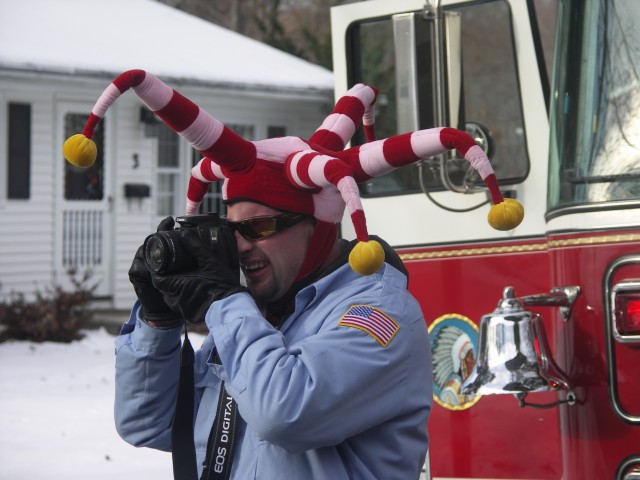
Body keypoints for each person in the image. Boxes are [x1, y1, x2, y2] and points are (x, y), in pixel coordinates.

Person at [62, 70, 523, 479]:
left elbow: (285, 413)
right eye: (232, 228)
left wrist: (226, 305)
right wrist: (158, 321)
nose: (241, 246)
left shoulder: (379, 315)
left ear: (319, 228)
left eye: (260, 227)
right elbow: (148, 423)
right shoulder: (255, 315)